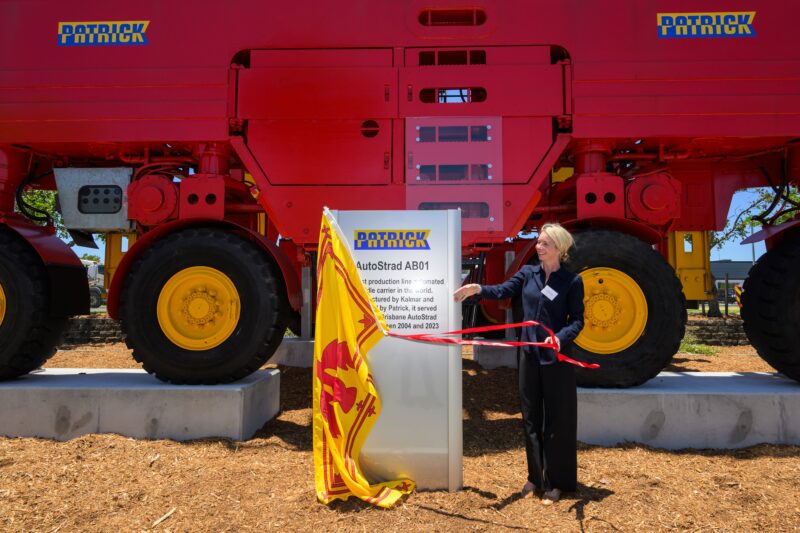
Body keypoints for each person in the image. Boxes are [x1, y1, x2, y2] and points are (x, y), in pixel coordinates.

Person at [454, 223, 584, 504]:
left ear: (559, 249)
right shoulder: (528, 274)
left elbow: (577, 320)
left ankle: (557, 482)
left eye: (545, 243)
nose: (539, 247)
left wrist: (560, 338)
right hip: (528, 356)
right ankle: (536, 476)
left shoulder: (572, 282)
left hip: (556, 359)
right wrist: (477, 288)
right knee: (530, 418)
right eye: (539, 242)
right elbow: (502, 290)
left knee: (557, 421)